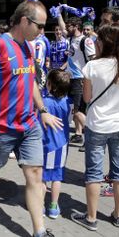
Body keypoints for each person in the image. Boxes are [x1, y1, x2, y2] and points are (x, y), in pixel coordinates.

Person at [0, 0, 62, 237]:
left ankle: (39, 231)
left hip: (29, 124)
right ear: (25, 21)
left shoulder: (28, 47)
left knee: (35, 175)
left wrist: (42, 110)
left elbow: (31, 82)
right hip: (1, 127)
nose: (42, 32)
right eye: (40, 26)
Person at [71, 24, 119, 231]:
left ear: (103, 43)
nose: (96, 42)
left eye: (98, 40)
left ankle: (91, 218)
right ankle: (118, 215)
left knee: (93, 173)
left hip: (97, 125)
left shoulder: (92, 67)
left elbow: (87, 98)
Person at [57, 15, 96, 150]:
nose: (66, 29)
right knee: (73, 111)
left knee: (79, 112)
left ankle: (92, 139)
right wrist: (58, 14)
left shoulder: (86, 41)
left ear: (76, 27)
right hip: (71, 79)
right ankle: (82, 136)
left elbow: (93, 60)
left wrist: (88, 80)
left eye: (69, 27)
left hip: (80, 79)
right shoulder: (71, 38)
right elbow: (62, 28)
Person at [40, 69, 72, 219]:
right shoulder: (67, 102)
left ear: (50, 84)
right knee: (57, 177)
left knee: (42, 177)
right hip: (62, 144)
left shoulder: (44, 103)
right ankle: (53, 206)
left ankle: (39, 206)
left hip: (46, 144)